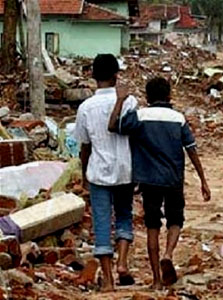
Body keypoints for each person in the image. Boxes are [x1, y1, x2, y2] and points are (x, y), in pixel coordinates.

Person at [108, 77, 211, 290]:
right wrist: (203, 180)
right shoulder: (178, 118)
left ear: (147, 96)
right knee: (176, 219)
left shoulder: (139, 116)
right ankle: (168, 253)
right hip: (173, 178)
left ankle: (156, 280)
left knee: (152, 226)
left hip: (148, 180)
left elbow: (113, 126)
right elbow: (191, 149)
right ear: (169, 95)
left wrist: (120, 100)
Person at [74, 54, 137, 292]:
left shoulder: (85, 108)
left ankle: (109, 281)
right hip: (125, 169)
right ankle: (122, 262)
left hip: (98, 171)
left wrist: (83, 175)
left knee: (101, 223)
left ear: (93, 77)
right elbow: (135, 138)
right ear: (116, 75)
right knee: (124, 216)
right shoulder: (129, 102)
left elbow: (84, 146)